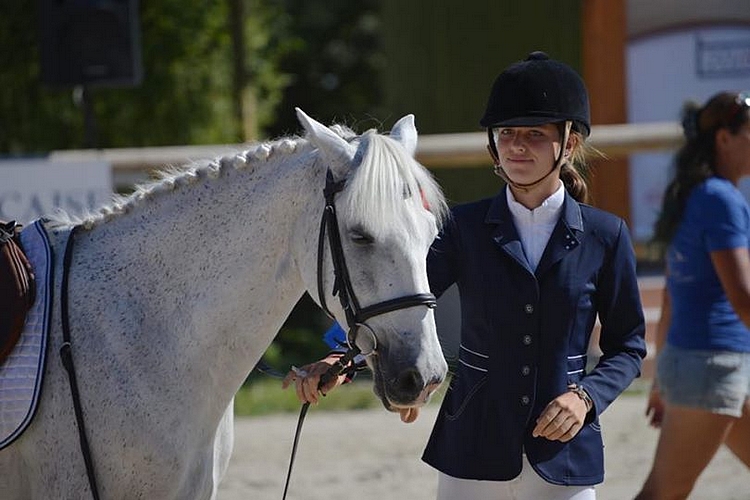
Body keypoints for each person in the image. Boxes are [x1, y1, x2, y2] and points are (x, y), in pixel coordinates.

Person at [284, 51, 647, 500]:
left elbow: (628, 347)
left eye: (534, 135)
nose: (516, 146)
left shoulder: (606, 236)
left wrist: (586, 398)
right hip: (471, 449)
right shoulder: (463, 228)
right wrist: (339, 359)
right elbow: (401, 299)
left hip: (565, 456)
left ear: (568, 144)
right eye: (506, 134)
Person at [635, 91, 750, 500]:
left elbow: (671, 298)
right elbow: (744, 298)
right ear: (724, 138)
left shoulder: (693, 196)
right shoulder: (721, 199)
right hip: (714, 366)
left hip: (702, 364)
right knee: (663, 493)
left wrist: (661, 381)